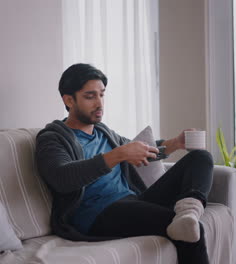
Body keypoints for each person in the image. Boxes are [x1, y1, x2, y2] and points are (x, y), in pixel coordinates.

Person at [36, 63, 213, 264]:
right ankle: (185, 220)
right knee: (191, 231)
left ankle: (189, 210)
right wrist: (117, 155)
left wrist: (175, 143)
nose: (99, 103)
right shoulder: (53, 138)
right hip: (97, 214)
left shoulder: (102, 131)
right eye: (90, 96)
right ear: (69, 100)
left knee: (201, 157)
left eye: (101, 94)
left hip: (133, 200)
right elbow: (62, 178)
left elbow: (138, 150)